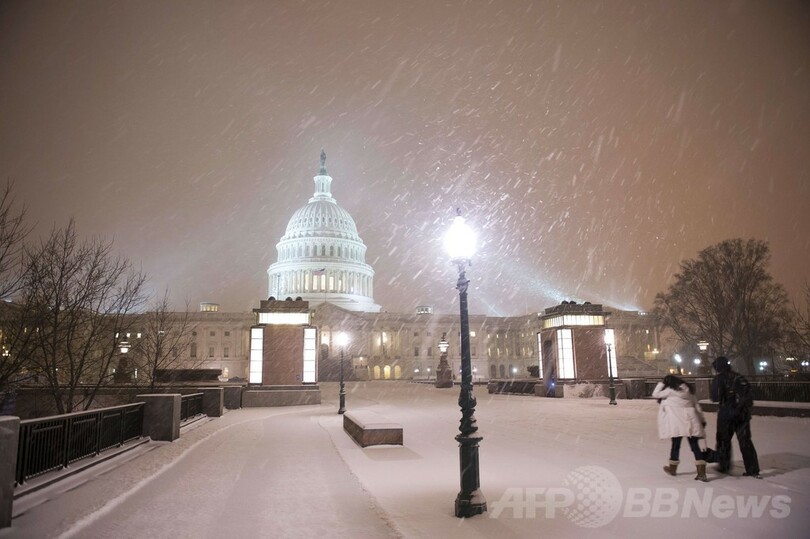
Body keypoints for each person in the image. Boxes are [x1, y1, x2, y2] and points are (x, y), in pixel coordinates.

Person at [710, 356, 761, 478]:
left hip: (727, 415)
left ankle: (724, 465)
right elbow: (749, 396)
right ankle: (752, 469)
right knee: (745, 441)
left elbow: (715, 397)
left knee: (723, 440)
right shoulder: (739, 378)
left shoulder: (719, 379)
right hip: (742, 415)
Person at [652, 374, 709, 481]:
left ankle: (672, 468)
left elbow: (655, 394)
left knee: (675, 445)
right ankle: (701, 472)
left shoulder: (669, 391)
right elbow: (697, 407)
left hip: (677, 423)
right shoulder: (689, 392)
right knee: (694, 446)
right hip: (691, 422)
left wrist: (662, 383)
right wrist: (702, 420)